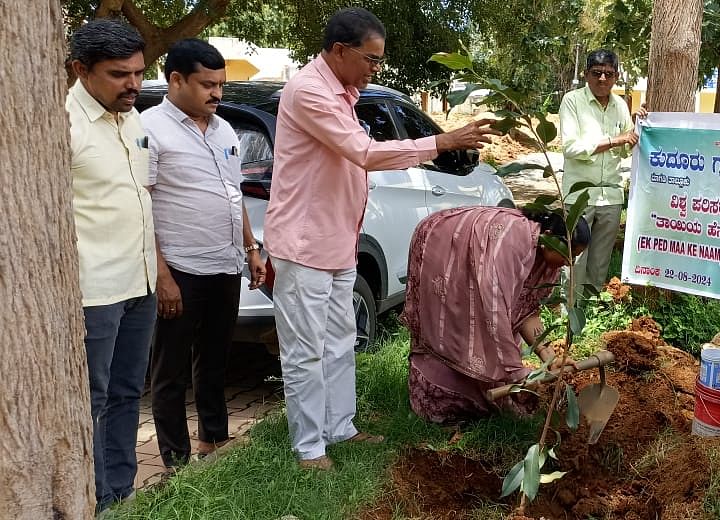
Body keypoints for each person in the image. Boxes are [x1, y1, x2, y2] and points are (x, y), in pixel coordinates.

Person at [262, 7, 498, 470]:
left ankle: (340, 428)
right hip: (304, 245)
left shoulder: (343, 93)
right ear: (338, 51)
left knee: (339, 339)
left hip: (338, 242)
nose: (376, 68)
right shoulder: (310, 91)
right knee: (305, 348)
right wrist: (441, 142)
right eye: (370, 58)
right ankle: (309, 446)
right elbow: (364, 154)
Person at [140, 39, 266, 472]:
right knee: (169, 370)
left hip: (225, 263)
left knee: (215, 359)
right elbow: (142, 205)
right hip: (179, 266)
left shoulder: (224, 129)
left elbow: (233, 197)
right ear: (176, 80)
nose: (217, 94)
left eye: (220, 85)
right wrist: (162, 275)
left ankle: (214, 439)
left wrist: (251, 249)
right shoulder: (150, 128)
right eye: (207, 85)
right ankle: (176, 462)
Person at [67, 19, 155, 511]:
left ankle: (122, 495)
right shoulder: (63, 124)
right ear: (82, 70)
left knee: (126, 392)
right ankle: (93, 499)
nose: (134, 85)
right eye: (120, 74)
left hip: (138, 281)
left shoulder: (132, 117)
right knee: (92, 400)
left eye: (140, 73)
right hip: (92, 289)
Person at [402, 207, 590, 424]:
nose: (570, 263)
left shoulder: (546, 259)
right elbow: (494, 312)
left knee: (480, 327)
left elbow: (526, 310)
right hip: (442, 245)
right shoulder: (510, 245)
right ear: (548, 237)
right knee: (455, 319)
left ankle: (481, 389)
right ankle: (442, 397)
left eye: (575, 256)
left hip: (481, 260)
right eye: (568, 254)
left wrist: (550, 359)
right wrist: (517, 373)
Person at [559, 49, 644, 298]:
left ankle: (591, 313)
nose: (603, 79)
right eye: (597, 73)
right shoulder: (572, 101)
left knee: (600, 262)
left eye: (609, 73)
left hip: (611, 197)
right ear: (587, 75)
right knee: (575, 260)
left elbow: (627, 147)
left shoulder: (620, 106)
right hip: (579, 197)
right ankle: (568, 316)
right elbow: (571, 148)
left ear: (616, 76)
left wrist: (639, 124)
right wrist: (614, 140)